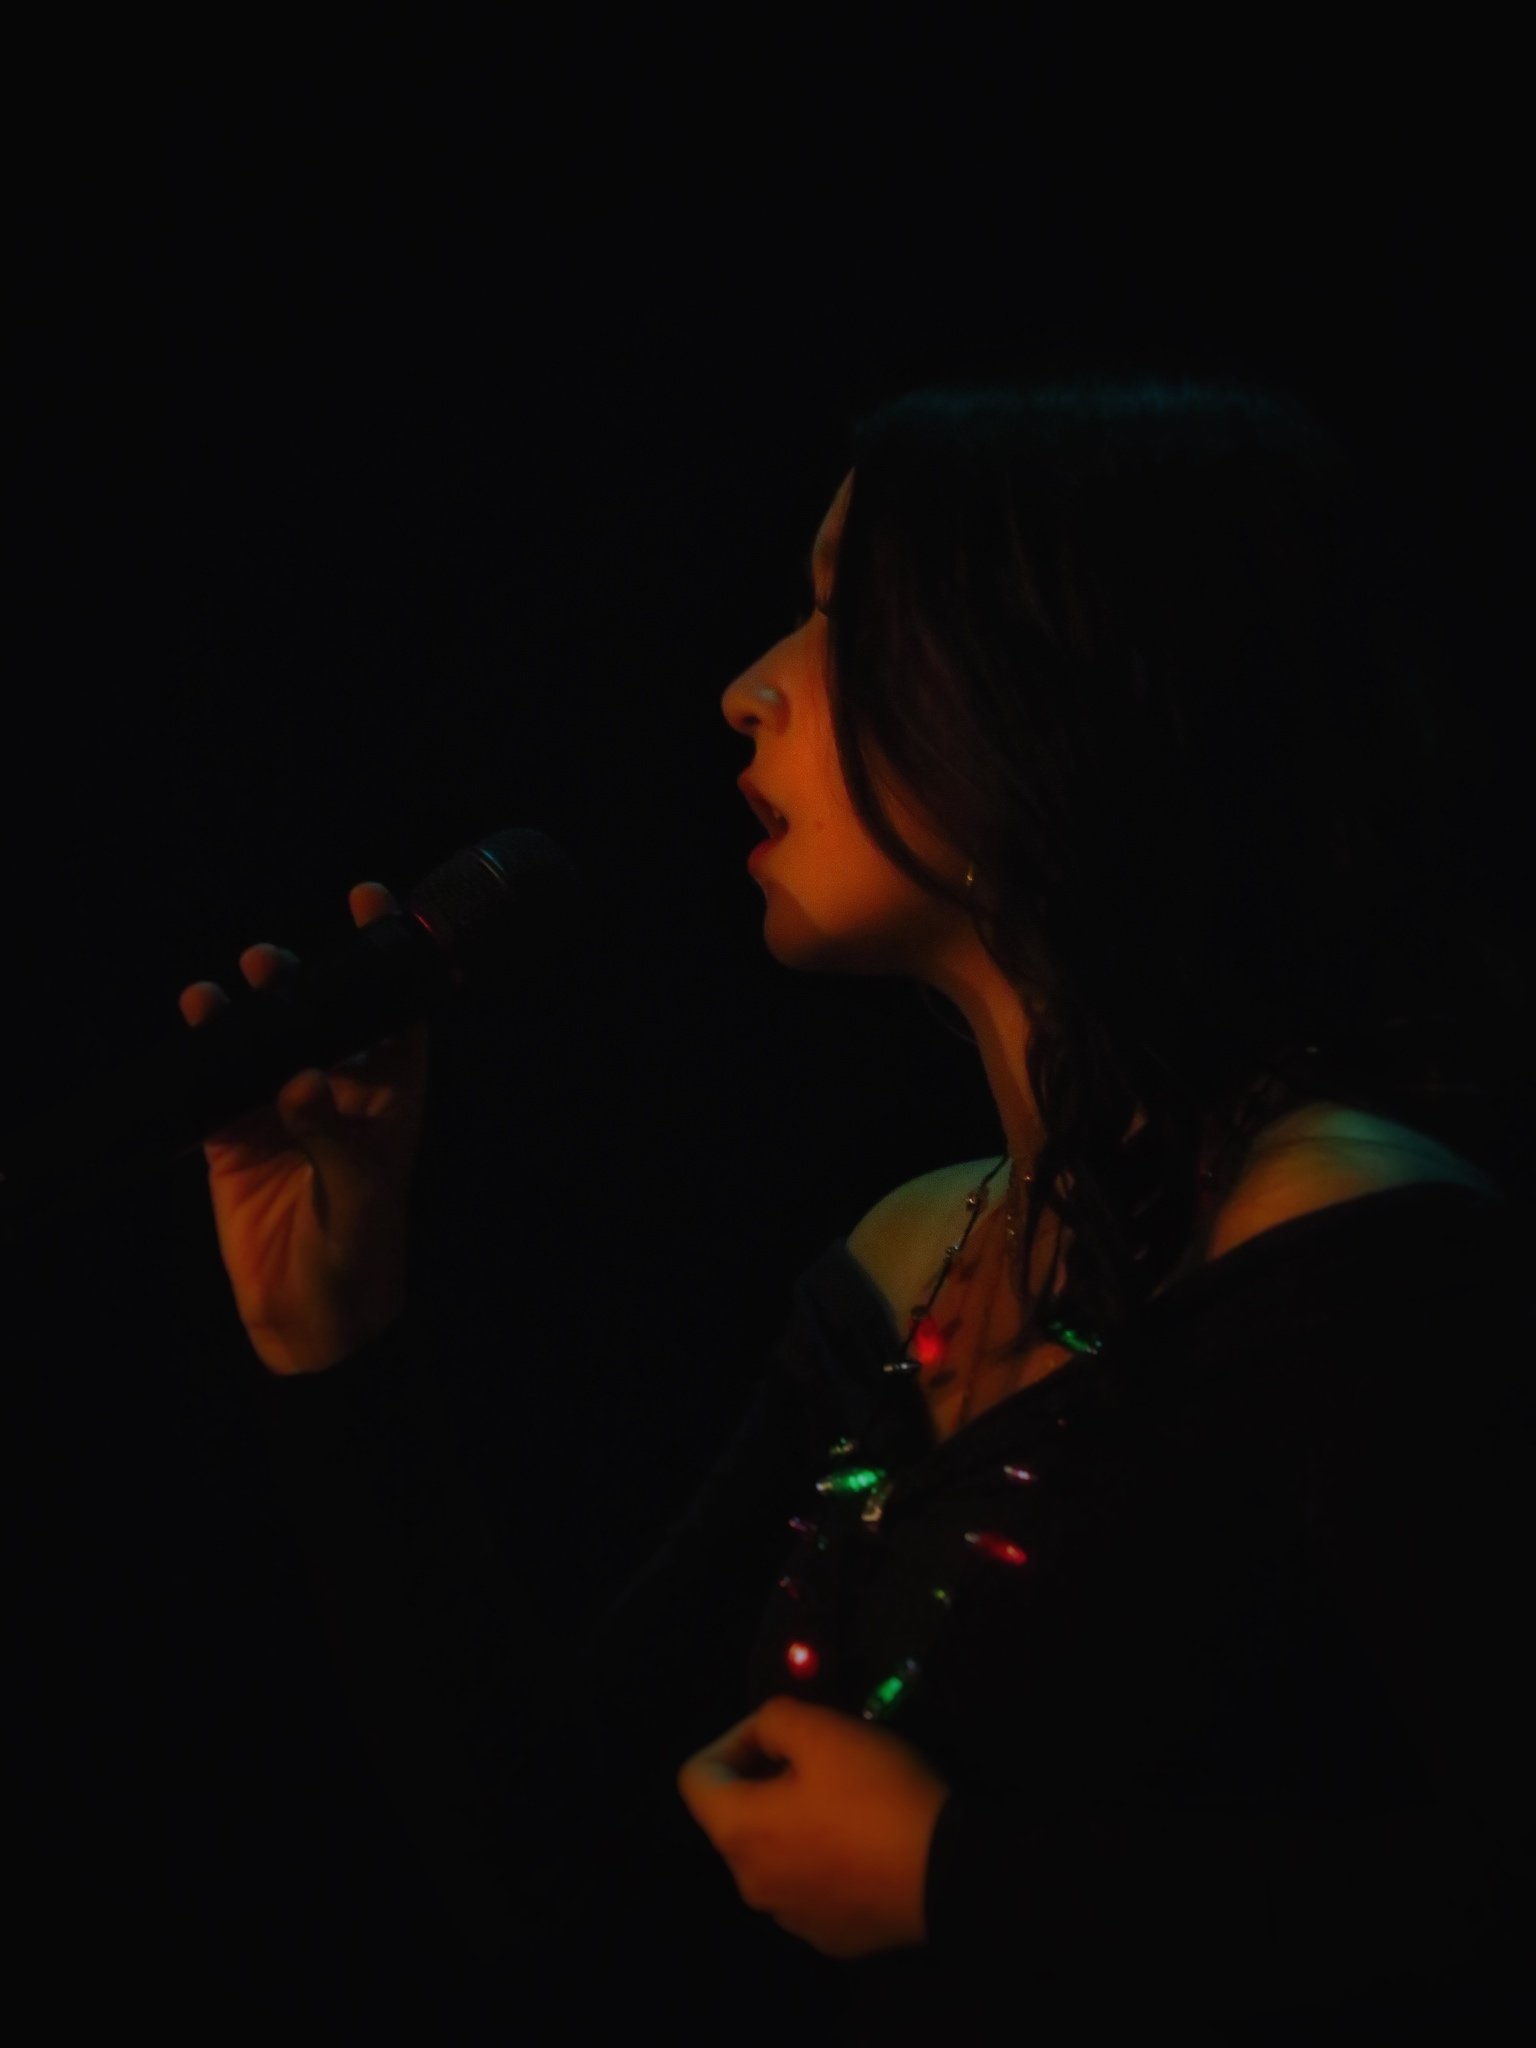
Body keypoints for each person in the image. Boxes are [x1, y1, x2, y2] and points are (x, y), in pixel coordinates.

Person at [182, 366, 1535, 2038]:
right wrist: (335, 1336)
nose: (750, 688)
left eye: (837, 613)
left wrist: (963, 1882)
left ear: (1049, 688)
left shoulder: (1355, 1256)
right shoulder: (914, 1253)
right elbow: (564, 1868)